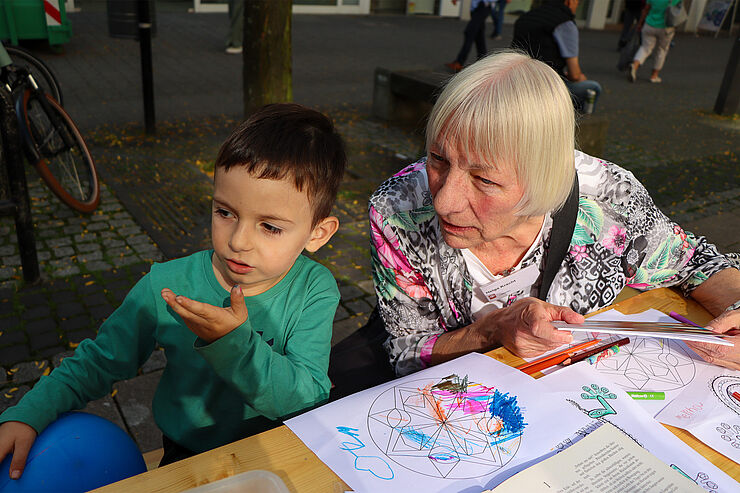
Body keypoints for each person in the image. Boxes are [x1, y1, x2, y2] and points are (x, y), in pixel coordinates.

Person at [0, 103, 347, 478]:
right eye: (225, 212)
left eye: (271, 227)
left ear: (317, 233)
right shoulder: (167, 285)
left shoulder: (315, 289)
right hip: (187, 454)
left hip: (278, 448)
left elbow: (307, 397)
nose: (239, 241)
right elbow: (100, 359)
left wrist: (235, 344)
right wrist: (29, 414)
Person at [369, 51, 740, 377]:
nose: (444, 201)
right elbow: (406, 354)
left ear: (542, 176)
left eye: (483, 179)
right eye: (438, 159)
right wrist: (491, 330)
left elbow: (696, 263)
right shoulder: (398, 211)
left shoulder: (608, 199)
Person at [511, 0, 603, 113]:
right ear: (569, 2)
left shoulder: (525, 18)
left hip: (516, 79)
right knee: (593, 88)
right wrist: (579, 77)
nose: (577, 7)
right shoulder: (566, 24)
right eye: (577, 3)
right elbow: (574, 74)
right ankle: (573, 123)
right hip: (546, 85)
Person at [628, 0, 680, 83]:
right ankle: (654, 76)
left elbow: (646, 9)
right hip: (666, 27)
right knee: (662, 50)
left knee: (645, 48)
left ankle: (635, 65)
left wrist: (640, 24)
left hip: (649, 24)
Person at [446, 0, 494, 73]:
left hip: (483, 6)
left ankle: (459, 62)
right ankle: (483, 62)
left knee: (469, 32)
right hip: (477, 8)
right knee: (479, 36)